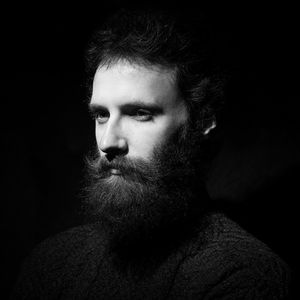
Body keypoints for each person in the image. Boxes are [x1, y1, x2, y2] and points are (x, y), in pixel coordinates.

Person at [11, 8, 291, 299]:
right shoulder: (51, 264)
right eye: (101, 115)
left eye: (140, 114)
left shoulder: (242, 277)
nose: (108, 141)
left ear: (203, 120)